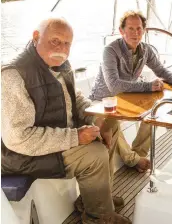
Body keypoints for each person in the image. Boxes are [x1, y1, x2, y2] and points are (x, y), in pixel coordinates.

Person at [1, 17, 131, 224]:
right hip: (24, 155)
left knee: (110, 125)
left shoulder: (60, 63)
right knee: (95, 153)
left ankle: (97, 197)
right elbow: (18, 138)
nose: (62, 48)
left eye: (67, 43)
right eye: (55, 41)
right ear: (36, 37)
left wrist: (94, 118)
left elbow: (75, 97)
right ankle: (98, 217)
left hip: (58, 137)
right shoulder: (14, 75)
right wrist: (75, 136)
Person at [90, 10, 172, 172]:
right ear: (122, 31)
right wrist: (148, 86)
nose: (136, 33)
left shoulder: (145, 50)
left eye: (139, 28)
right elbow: (114, 86)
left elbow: (161, 71)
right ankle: (132, 160)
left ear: (144, 30)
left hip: (126, 97)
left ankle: (139, 153)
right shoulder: (110, 51)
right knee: (109, 123)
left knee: (155, 110)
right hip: (102, 100)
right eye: (131, 28)